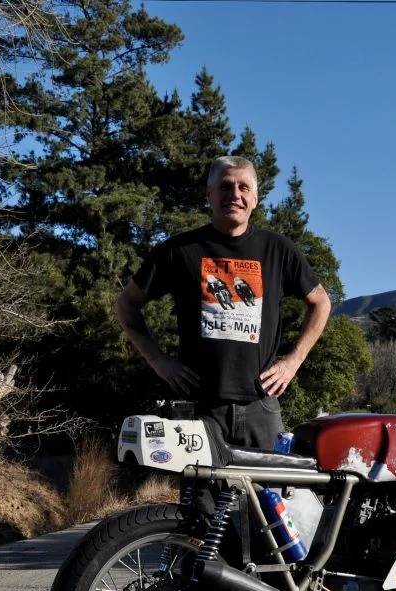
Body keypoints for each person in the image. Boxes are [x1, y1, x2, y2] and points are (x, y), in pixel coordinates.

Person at [116, 155, 331, 450]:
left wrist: (294, 361)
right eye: (225, 187)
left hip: (262, 408)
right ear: (209, 195)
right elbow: (127, 303)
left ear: (255, 198)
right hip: (200, 409)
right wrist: (159, 361)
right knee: (202, 497)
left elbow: (321, 302)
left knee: (267, 497)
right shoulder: (179, 251)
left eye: (244, 188)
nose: (235, 195)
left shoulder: (278, 250)